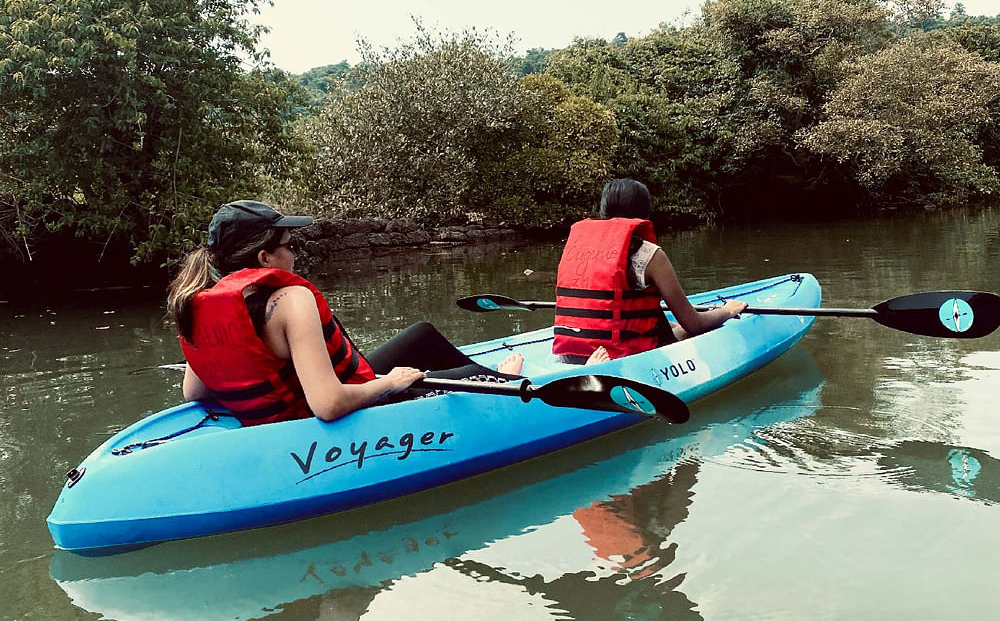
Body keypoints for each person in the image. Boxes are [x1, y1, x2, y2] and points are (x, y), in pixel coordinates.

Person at [168, 200, 522, 426]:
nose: (295, 256)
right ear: (264, 258)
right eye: (291, 246)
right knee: (478, 375)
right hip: (320, 419)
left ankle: (481, 377)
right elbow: (328, 404)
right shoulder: (291, 300)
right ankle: (505, 382)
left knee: (422, 334)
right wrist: (391, 383)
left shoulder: (199, 304)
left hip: (297, 401)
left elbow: (194, 393)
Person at [552, 179, 746, 364]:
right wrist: (727, 310)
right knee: (689, 330)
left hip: (570, 354)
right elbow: (693, 324)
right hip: (618, 357)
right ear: (642, 213)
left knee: (665, 323)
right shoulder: (649, 254)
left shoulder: (578, 247)